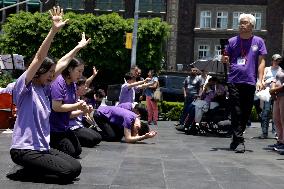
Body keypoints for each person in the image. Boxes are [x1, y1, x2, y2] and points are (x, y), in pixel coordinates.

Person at [7, 7, 81, 182]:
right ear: (38, 72)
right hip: (24, 150)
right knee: (67, 173)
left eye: (52, 72)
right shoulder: (24, 87)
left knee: (75, 167)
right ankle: (23, 173)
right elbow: (39, 58)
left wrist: (78, 47)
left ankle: (32, 169)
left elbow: (63, 62)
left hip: (42, 148)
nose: (52, 75)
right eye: (48, 72)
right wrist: (53, 31)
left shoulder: (44, 88)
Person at [221, 13, 267, 153]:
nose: (241, 24)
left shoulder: (259, 41)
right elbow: (226, 58)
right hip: (234, 79)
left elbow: (261, 62)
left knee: (246, 112)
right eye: (240, 22)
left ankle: (235, 139)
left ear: (252, 25)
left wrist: (260, 79)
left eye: (245, 22)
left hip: (250, 80)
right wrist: (225, 60)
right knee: (236, 110)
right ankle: (240, 140)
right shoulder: (232, 41)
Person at [49, 34, 91, 158]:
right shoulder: (58, 82)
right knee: (71, 153)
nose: (81, 74)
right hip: (53, 129)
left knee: (77, 151)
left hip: (64, 127)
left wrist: (82, 111)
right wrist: (77, 105)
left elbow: (68, 113)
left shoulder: (72, 84)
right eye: (79, 71)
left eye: (82, 71)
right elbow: (57, 107)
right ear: (69, 69)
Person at [68, 76, 102, 148]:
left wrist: (88, 111)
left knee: (98, 137)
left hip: (79, 125)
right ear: (77, 87)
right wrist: (82, 111)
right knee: (91, 140)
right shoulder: (71, 99)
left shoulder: (79, 99)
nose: (86, 88)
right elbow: (68, 115)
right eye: (84, 86)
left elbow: (85, 116)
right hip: (72, 127)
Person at [93, 106, 157, 143]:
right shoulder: (129, 119)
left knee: (118, 136)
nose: (133, 133)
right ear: (137, 127)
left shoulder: (135, 119)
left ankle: (105, 132)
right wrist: (144, 137)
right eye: (134, 132)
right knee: (112, 137)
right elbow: (128, 139)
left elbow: (133, 137)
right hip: (100, 115)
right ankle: (93, 132)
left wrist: (139, 136)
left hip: (107, 117)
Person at [257, 54, 281, 138]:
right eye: (276, 60)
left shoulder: (281, 69)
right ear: (272, 61)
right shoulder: (267, 69)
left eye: (279, 60)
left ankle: (276, 132)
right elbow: (262, 80)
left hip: (277, 92)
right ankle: (264, 132)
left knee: (277, 113)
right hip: (267, 92)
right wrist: (266, 82)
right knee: (266, 111)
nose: (277, 61)